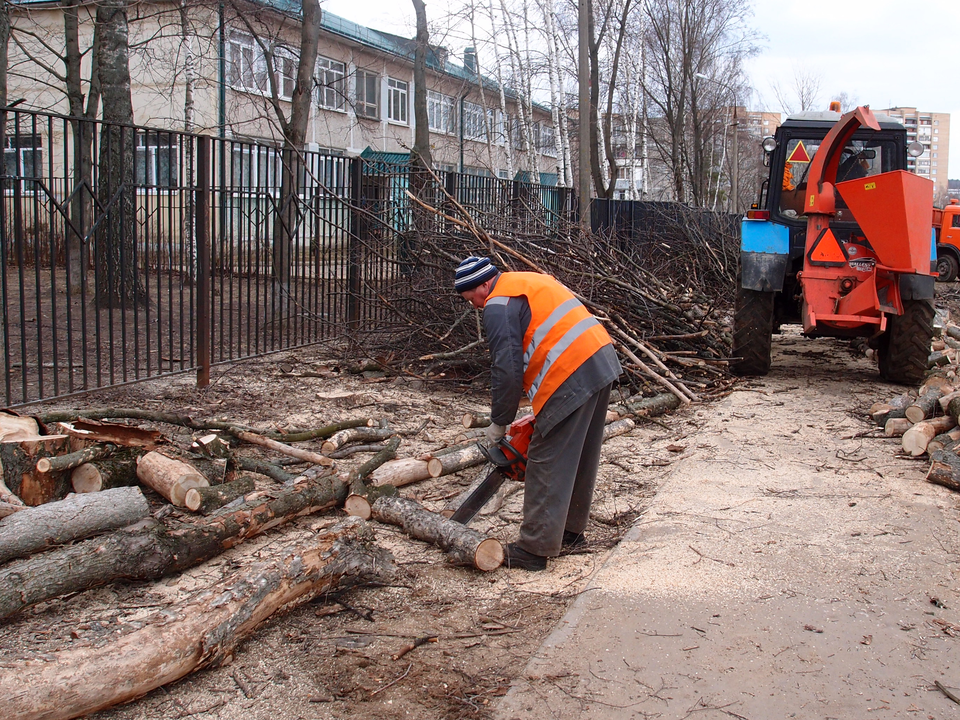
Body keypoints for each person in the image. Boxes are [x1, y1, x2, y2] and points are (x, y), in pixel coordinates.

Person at [454, 256, 622, 571]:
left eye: (471, 299)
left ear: (482, 285)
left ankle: (534, 549)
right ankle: (571, 533)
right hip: (599, 358)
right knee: (581, 450)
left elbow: (506, 368)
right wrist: (534, 414)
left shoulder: (498, 303)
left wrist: (499, 422)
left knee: (547, 456)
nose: (474, 306)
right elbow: (547, 342)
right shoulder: (526, 281)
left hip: (571, 370)